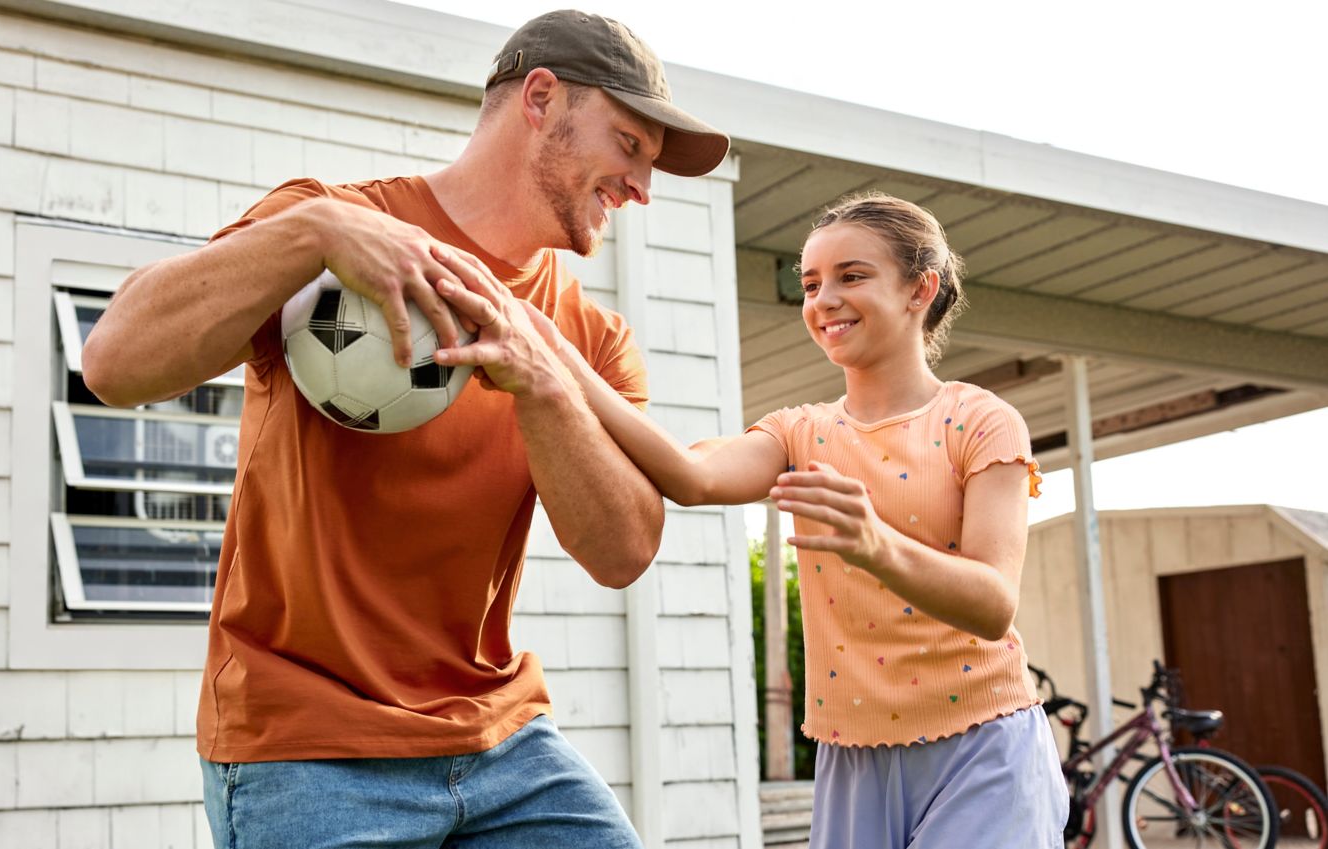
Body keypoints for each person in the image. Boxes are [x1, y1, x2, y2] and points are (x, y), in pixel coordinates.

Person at [80, 10, 730, 849]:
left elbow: (623, 552)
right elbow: (112, 361)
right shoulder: (330, 224)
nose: (641, 187)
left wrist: (539, 381)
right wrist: (311, 235)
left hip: (501, 746)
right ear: (540, 98)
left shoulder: (593, 340)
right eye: (630, 146)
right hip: (308, 748)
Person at [440, 192, 1067, 848]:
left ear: (920, 290)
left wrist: (875, 544)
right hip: (852, 753)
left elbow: (993, 603)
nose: (823, 299)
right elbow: (689, 474)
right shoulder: (799, 431)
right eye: (810, 283)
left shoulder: (981, 421)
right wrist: (558, 361)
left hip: (982, 745)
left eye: (851, 276)